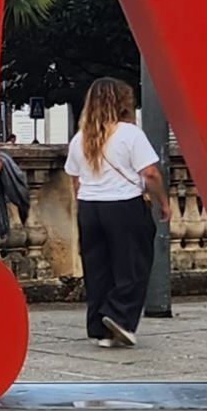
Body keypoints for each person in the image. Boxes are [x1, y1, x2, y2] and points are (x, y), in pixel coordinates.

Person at [66, 79, 161, 348]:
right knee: (133, 264)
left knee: (97, 269)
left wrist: (84, 203)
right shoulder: (130, 134)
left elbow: (74, 179)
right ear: (122, 103)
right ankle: (119, 315)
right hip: (124, 204)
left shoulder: (80, 138)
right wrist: (162, 202)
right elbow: (150, 173)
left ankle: (100, 329)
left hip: (89, 206)